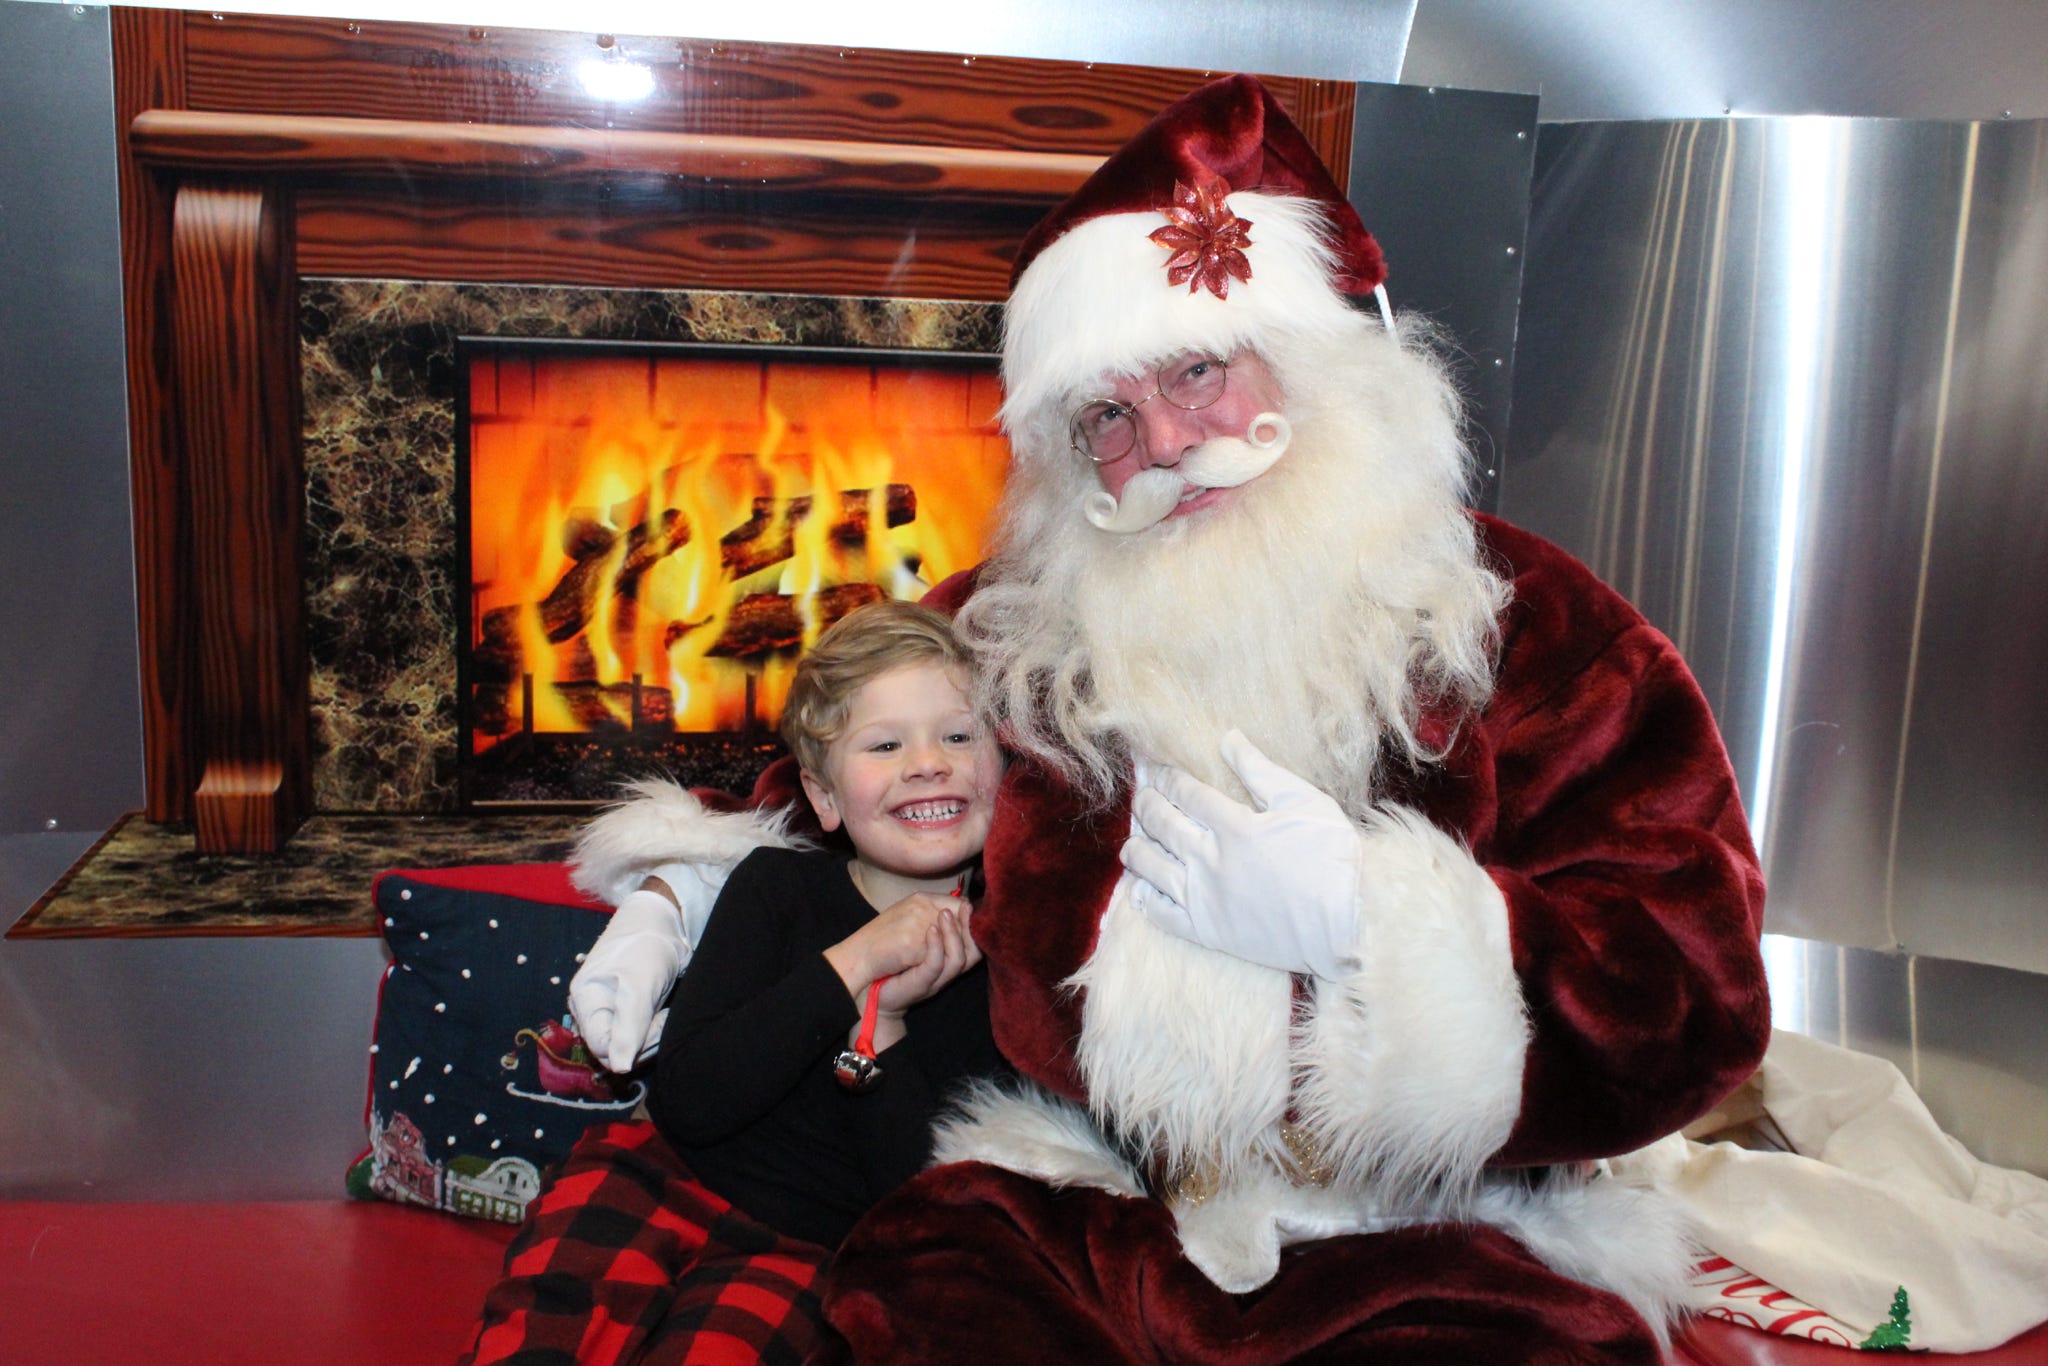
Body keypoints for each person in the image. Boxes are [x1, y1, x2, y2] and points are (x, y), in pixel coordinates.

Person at [564, 74, 1771, 1364]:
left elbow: (1691, 987)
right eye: (1108, 417)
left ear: (1304, 357)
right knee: (922, 1282)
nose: (1166, 443)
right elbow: (840, 770)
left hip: (1426, 1224)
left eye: (1195, 370)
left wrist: (1367, 923)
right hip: (1086, 1197)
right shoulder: (1019, 620)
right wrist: (677, 900)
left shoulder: (1525, 622)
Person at [463, 599, 1005, 1366]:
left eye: (958, 736)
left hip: (805, 1246)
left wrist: (880, 1023)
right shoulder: (774, 888)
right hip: (656, 1180)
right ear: (823, 798)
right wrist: (852, 963)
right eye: (885, 744)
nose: (927, 762)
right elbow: (691, 1098)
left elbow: (912, 1196)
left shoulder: (1011, 961)